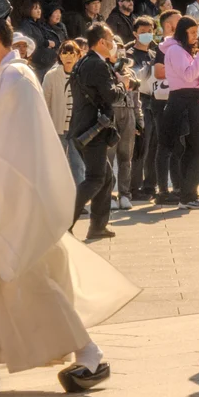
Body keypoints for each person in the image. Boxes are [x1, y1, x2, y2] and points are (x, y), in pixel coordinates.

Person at [0, 0, 137, 395]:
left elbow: (19, 150)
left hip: (16, 202)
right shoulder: (5, 76)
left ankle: (90, 355)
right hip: (3, 198)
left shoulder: (14, 78)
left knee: (30, 283)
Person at [70, 23, 121, 239]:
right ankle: (62, 221)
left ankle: (97, 226)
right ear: (101, 42)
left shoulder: (84, 62)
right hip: (92, 129)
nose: (113, 43)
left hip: (85, 127)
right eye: (110, 39)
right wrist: (123, 85)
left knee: (106, 177)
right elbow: (110, 95)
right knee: (95, 178)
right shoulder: (97, 65)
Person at [158, 15, 199, 210]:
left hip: (195, 101)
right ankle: (187, 193)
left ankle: (187, 193)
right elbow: (189, 75)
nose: (194, 36)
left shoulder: (188, 50)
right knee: (198, 148)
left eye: (195, 32)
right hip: (183, 101)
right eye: (191, 32)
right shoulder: (175, 50)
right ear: (182, 32)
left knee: (193, 149)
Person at [141, 9, 181, 202]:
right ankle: (162, 190)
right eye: (178, 21)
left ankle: (178, 186)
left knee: (177, 146)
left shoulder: (180, 46)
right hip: (161, 100)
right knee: (164, 146)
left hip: (177, 98)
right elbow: (158, 73)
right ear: (168, 25)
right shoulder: (162, 47)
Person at [128, 17, 161, 201]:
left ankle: (150, 184)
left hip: (154, 101)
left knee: (154, 146)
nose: (147, 35)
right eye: (143, 31)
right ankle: (135, 186)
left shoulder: (153, 54)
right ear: (135, 33)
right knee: (141, 146)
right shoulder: (129, 54)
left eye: (150, 31)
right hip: (137, 102)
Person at [109, 29, 142, 211]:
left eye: (121, 48)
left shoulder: (130, 72)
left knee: (126, 157)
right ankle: (109, 194)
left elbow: (137, 100)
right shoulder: (105, 70)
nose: (119, 52)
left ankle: (124, 194)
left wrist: (139, 120)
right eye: (116, 48)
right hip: (111, 113)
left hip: (128, 113)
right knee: (109, 156)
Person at [42, 41, 83, 186]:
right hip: (57, 127)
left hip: (78, 129)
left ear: (78, 55)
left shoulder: (83, 74)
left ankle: (79, 201)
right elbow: (44, 102)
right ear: (60, 55)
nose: (68, 57)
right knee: (56, 165)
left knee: (78, 166)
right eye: (65, 53)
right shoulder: (51, 75)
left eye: (72, 53)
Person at [17, 1, 60, 79]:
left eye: (39, 8)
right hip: (37, 64)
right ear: (28, 10)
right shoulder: (26, 25)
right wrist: (46, 43)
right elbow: (29, 40)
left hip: (46, 63)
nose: (39, 11)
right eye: (35, 8)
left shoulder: (39, 25)